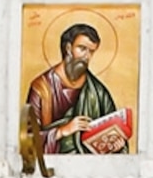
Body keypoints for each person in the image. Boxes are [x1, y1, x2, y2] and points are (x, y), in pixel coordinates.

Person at [24, 21, 129, 154]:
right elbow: (28, 140)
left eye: (91, 51)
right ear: (68, 48)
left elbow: (113, 130)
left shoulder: (98, 92)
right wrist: (63, 131)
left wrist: (117, 145)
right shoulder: (42, 88)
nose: (87, 56)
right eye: (82, 48)